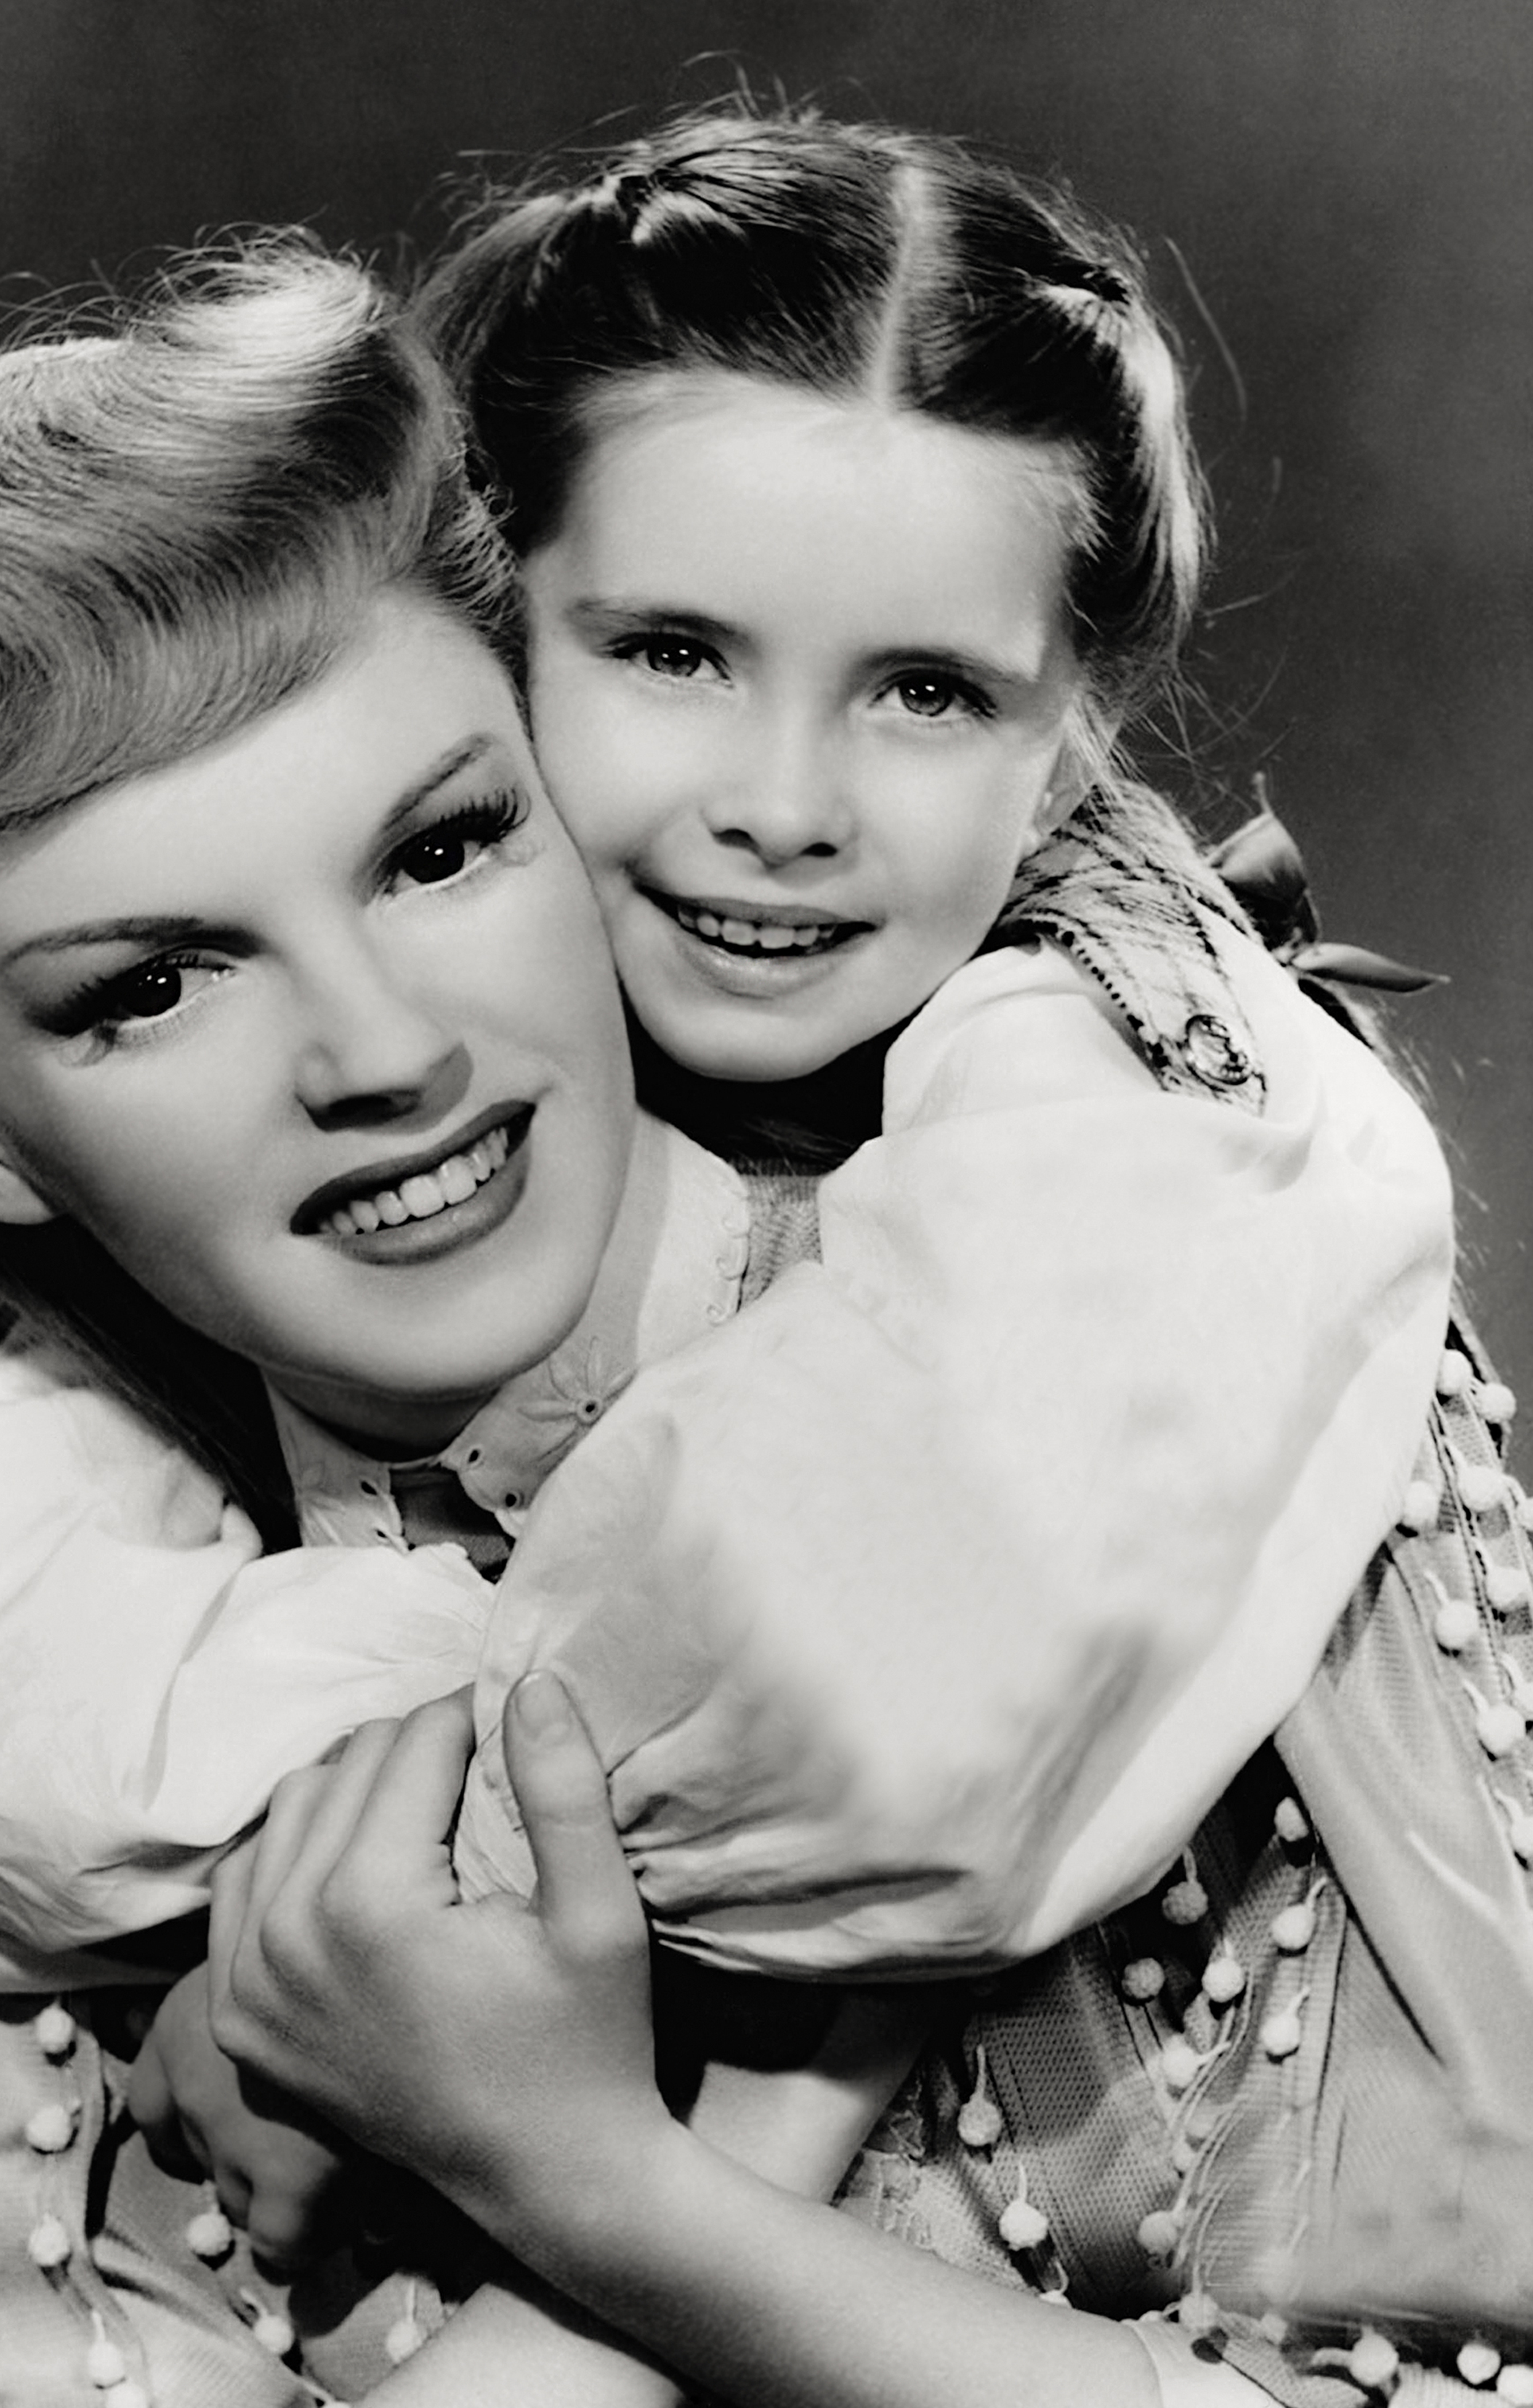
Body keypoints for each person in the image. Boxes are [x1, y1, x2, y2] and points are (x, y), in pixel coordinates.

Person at [0, 112, 1485, 2407]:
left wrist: (588, 2189)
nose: (383, 1052)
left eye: (435, 850)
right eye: (146, 989)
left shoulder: (1179, 1391)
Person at [195, 106, 1533, 2407]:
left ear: (1071, 732)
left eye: (923, 691)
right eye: (671, 652)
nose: (783, 803)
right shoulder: (340, 1153)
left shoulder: (1169, 1216)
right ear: (472, 630)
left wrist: (584, 2197)